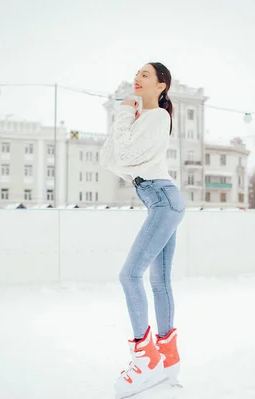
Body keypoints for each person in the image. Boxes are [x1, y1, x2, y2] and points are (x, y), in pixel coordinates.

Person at [99, 62, 185, 398]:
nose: (137, 78)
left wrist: (125, 118)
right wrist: (125, 115)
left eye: (145, 74)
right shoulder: (139, 118)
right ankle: (167, 356)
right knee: (158, 280)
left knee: (129, 275)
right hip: (161, 199)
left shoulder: (159, 118)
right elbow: (112, 159)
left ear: (161, 85)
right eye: (137, 73)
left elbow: (127, 154)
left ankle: (146, 358)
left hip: (163, 197)